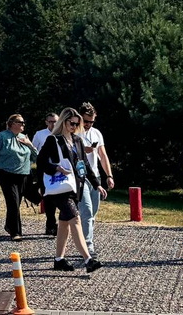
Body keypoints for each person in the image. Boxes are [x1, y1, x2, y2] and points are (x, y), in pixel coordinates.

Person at [37, 107, 105, 273]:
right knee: (75, 219)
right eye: (71, 123)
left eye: (77, 124)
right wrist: (56, 168)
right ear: (64, 121)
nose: (74, 126)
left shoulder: (77, 141)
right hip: (60, 189)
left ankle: (59, 259)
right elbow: (41, 161)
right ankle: (88, 259)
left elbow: (85, 165)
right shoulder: (54, 140)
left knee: (64, 223)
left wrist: (97, 184)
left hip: (75, 187)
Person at [0, 114, 38, 241]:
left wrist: (30, 144)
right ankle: (16, 232)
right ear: (12, 123)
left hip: (24, 174)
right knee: (13, 202)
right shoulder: (1, 137)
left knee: (16, 202)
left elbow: (36, 157)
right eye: (20, 122)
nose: (23, 125)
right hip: (6, 173)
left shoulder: (24, 138)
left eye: (24, 122)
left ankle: (9, 225)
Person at [77, 102, 115, 257]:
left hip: (95, 176)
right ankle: (87, 245)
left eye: (92, 121)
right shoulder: (74, 132)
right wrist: (81, 150)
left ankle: (84, 238)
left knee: (93, 213)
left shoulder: (96, 133)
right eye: (86, 121)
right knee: (86, 210)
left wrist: (109, 175)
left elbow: (103, 155)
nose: (88, 124)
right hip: (80, 177)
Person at [32, 112, 59, 236]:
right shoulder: (40, 134)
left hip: (59, 170)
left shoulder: (62, 133)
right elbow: (33, 151)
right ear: (46, 122)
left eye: (55, 121)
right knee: (47, 197)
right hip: (44, 170)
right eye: (51, 121)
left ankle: (61, 225)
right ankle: (51, 224)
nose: (53, 124)